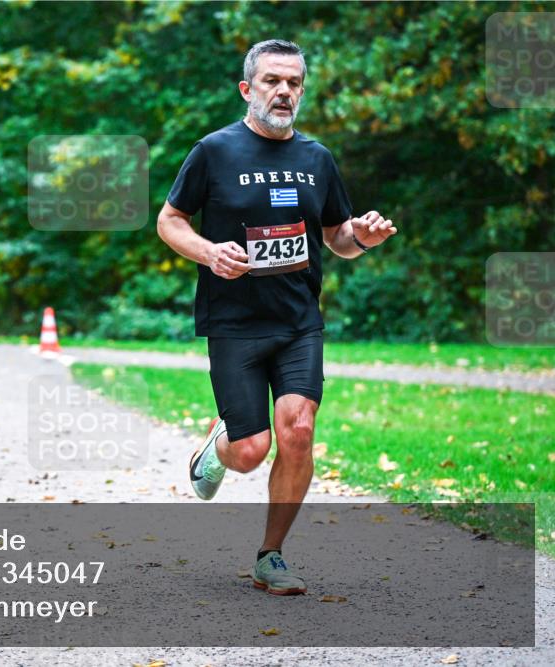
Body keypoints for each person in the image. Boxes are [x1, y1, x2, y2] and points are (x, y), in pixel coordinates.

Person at [156, 39, 397, 596]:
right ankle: (218, 444)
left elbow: (337, 237)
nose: (283, 91)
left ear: (302, 91)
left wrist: (362, 237)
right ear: (248, 89)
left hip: (297, 323)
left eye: (293, 82)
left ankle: (271, 556)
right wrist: (209, 252)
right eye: (271, 81)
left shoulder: (317, 159)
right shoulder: (214, 151)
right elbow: (170, 221)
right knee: (250, 451)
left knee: (299, 430)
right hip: (234, 323)